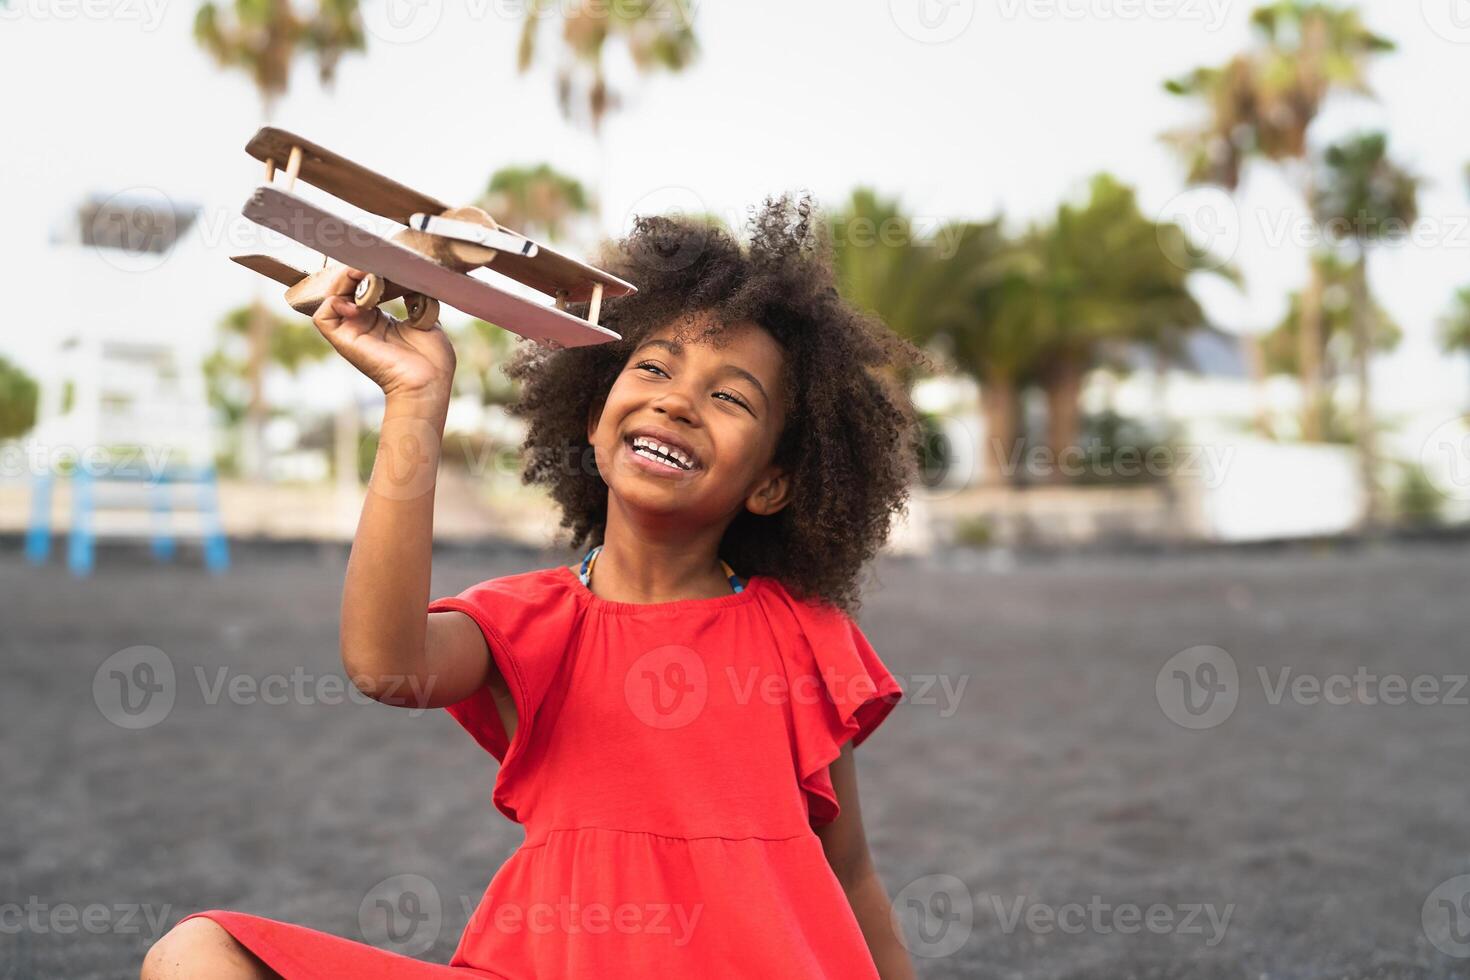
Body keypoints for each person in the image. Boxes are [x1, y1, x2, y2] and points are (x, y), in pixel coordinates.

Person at [142, 195, 924, 979]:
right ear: (594, 415)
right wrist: (415, 398)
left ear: (774, 483)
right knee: (197, 954)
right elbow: (385, 664)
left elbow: (850, 872)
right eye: (652, 366)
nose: (677, 401)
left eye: (730, 398)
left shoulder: (800, 636)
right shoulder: (530, 623)